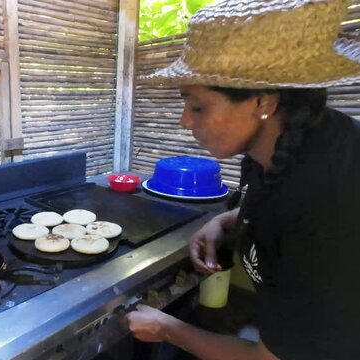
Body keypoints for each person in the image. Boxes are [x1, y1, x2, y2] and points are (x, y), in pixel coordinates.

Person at [127, 0, 360, 359]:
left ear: (262, 101)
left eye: (198, 106)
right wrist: (224, 221)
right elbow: (269, 205)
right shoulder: (280, 144)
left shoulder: (331, 198)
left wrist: (165, 328)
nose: (184, 122)